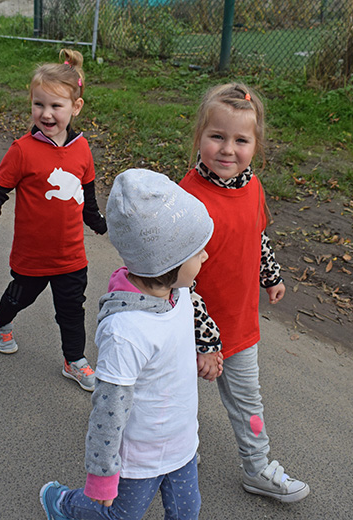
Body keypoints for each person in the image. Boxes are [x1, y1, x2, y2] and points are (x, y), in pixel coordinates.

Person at [40, 168, 214, 520]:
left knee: (187, 512)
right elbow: (108, 408)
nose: (206, 258)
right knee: (119, 515)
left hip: (181, 444)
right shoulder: (127, 331)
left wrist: (207, 346)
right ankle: (66, 505)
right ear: (166, 263)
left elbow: (190, 320)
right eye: (198, 253)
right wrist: (102, 475)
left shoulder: (178, 292)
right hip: (141, 456)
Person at [178, 82, 310, 502]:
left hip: (240, 328)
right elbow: (181, 281)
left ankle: (257, 467)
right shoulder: (188, 200)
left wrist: (270, 276)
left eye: (241, 140)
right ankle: (178, 453)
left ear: (256, 145)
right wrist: (205, 343)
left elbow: (258, 236)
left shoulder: (252, 187)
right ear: (199, 136)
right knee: (179, 399)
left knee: (249, 407)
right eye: (217, 136)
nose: (227, 149)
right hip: (189, 331)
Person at [0, 49, 107, 392]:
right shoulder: (22, 150)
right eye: (39, 105)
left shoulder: (82, 149)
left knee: (72, 308)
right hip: (32, 254)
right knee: (20, 297)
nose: (46, 114)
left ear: (75, 108)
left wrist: (103, 225)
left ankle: (74, 358)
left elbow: (86, 196)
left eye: (55, 106)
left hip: (71, 254)